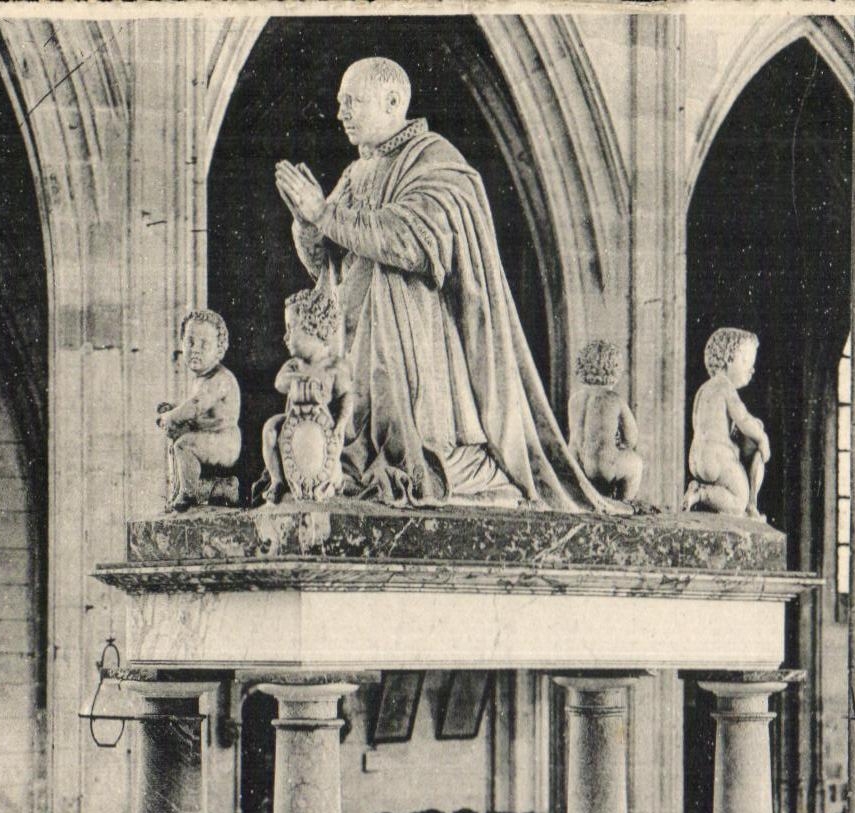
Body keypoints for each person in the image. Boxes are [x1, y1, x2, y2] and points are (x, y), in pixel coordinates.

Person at [274, 57, 608, 510]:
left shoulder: (435, 159)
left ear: (393, 102)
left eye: (351, 102)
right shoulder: (357, 172)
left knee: (424, 454)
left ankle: (443, 465)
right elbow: (326, 265)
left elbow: (415, 242)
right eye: (339, 104)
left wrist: (324, 214)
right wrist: (307, 224)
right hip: (356, 337)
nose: (341, 114)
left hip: (416, 342)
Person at [257, 287, 353, 504]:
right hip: (293, 420)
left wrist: (341, 424)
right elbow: (279, 383)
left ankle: (331, 481)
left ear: (314, 327)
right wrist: (297, 379)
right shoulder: (293, 365)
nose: (286, 336)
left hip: (323, 425)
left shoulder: (334, 367)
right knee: (270, 429)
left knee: (332, 448)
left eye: (292, 328)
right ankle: (277, 480)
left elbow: (347, 397)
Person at [156, 309, 241, 512]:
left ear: (219, 349)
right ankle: (212, 488)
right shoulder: (201, 379)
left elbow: (196, 406)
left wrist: (171, 415)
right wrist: (174, 410)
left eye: (204, 344)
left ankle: (188, 493)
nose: (195, 349)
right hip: (210, 436)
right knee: (177, 439)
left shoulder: (221, 379)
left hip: (225, 441)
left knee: (184, 445)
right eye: (191, 342)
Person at [682, 328, 770, 519]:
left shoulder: (704, 389)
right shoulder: (725, 387)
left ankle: (702, 492)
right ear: (728, 359)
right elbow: (744, 419)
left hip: (697, 457)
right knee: (739, 500)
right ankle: (701, 493)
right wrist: (762, 438)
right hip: (718, 456)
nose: (751, 369)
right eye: (746, 361)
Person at [568, 339, 644, 501]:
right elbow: (631, 439)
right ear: (615, 370)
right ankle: (624, 504)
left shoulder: (575, 399)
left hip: (574, 466)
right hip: (601, 468)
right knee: (635, 463)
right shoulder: (614, 399)